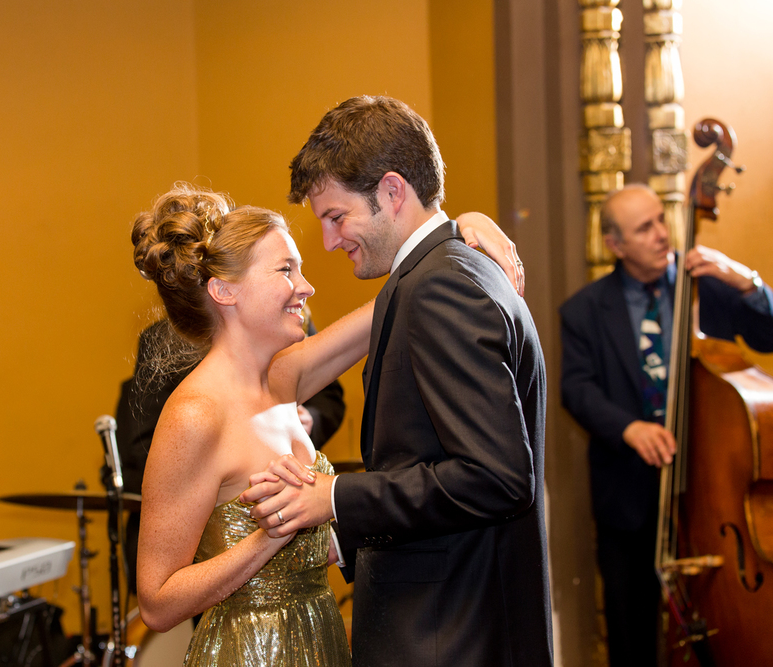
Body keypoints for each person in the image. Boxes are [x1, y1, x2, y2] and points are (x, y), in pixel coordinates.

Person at [131, 182, 520, 666]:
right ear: (224, 290)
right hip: (251, 654)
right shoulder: (194, 414)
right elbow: (157, 601)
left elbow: (397, 299)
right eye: (286, 269)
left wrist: (457, 230)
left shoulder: (283, 376)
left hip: (322, 640)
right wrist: (270, 537)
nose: (307, 287)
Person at [241, 95, 552, 667]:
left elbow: (496, 476)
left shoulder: (439, 286)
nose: (331, 242)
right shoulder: (448, 269)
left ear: (392, 191)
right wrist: (349, 537)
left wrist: (333, 497)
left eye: (336, 218)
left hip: (449, 636)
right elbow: (434, 463)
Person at [558, 183, 773, 666]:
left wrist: (749, 282)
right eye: (644, 228)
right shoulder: (584, 311)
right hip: (628, 495)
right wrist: (627, 428)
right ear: (615, 245)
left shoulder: (710, 286)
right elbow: (577, 389)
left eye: (661, 219)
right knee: (631, 631)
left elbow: (769, 333)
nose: (662, 234)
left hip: (714, 489)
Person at [108, 311, 346, 595]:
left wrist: (308, 420)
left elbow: (329, 396)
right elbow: (141, 442)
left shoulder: (292, 319)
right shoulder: (165, 341)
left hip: (295, 516)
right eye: (284, 269)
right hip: (209, 536)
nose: (303, 288)